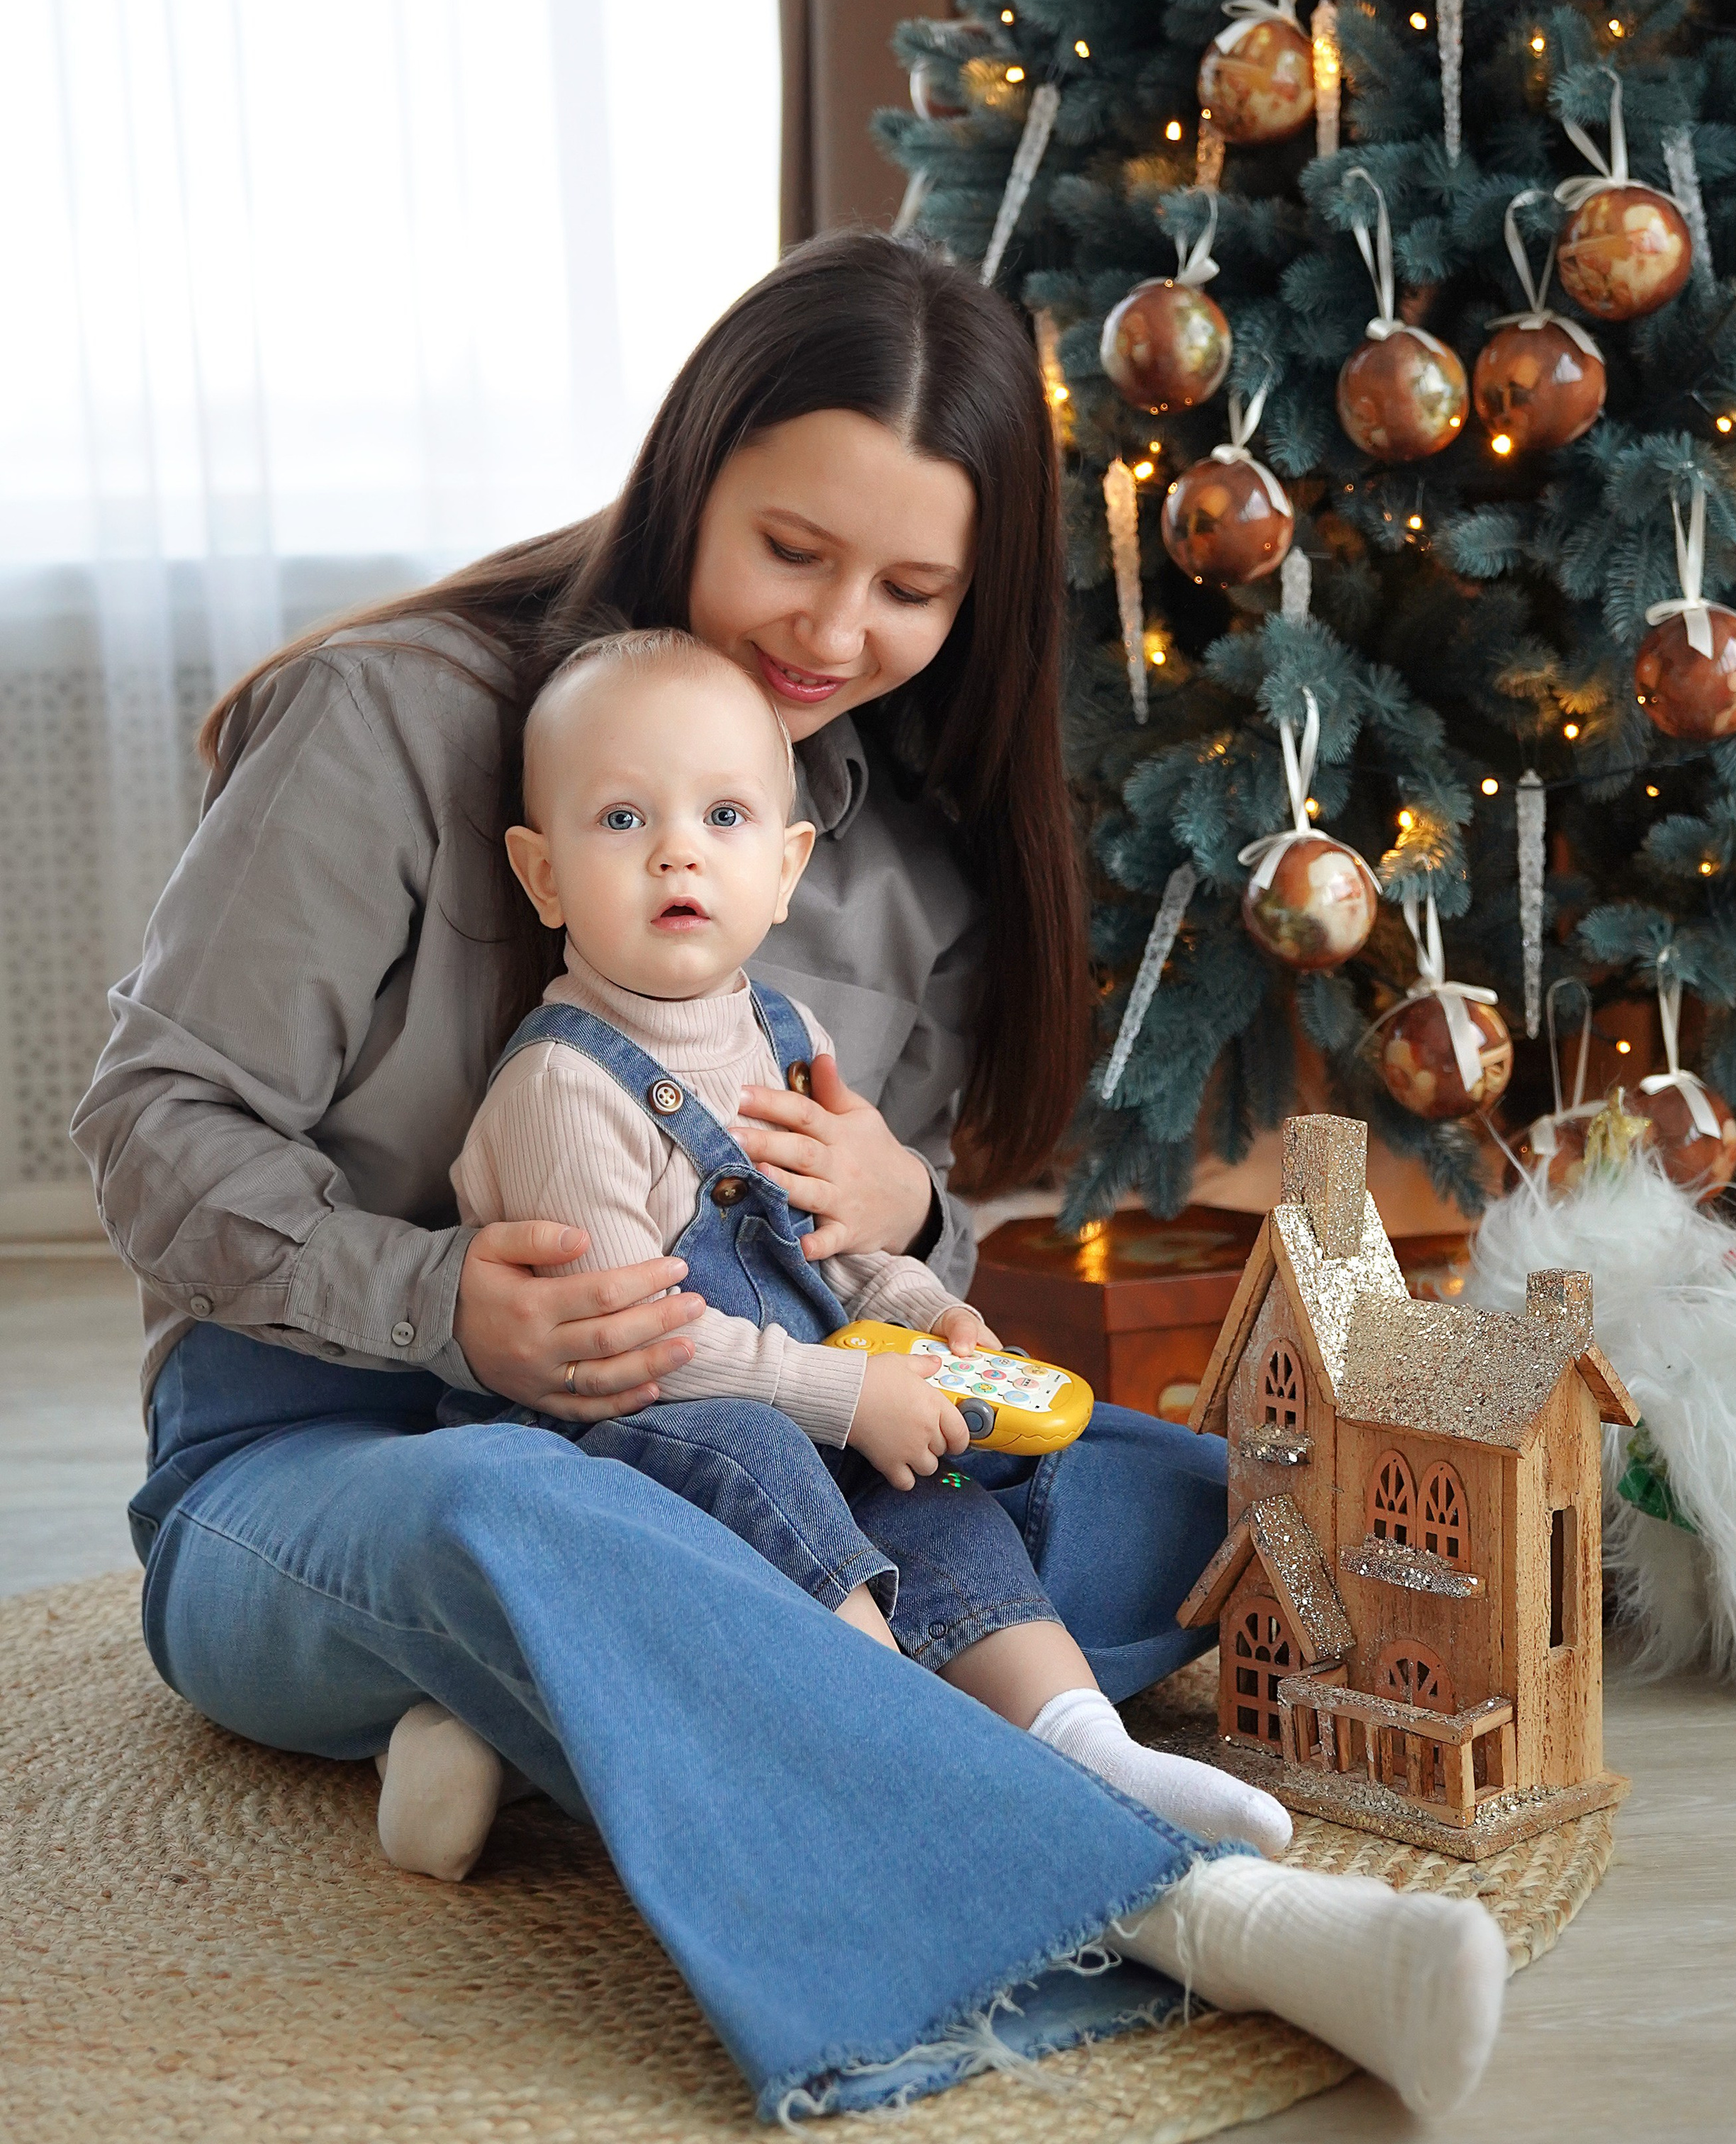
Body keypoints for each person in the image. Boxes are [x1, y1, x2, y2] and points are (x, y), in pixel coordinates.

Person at [74, 230, 1503, 2120]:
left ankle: (555, 1696)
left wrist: (909, 1211)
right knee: (523, 1508)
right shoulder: (389, 717)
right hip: (325, 1454)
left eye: (911, 590)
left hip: (741, 1435)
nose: (835, 632)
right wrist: (442, 1307)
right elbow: (154, 1125)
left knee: (1174, 1493)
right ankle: (1199, 1913)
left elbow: (870, 1292)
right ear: (690, 481)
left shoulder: (883, 841)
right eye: (792, 550)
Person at [379, 624, 1291, 1883]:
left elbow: (832, 1248)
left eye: (725, 816)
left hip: (814, 1402)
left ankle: (1084, 1741)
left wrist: (921, 1314)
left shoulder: (779, 1031)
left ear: (786, 864)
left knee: (936, 1494)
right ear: (543, 876)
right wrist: (847, 1391)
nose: (679, 851)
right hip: (624, 1442)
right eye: (624, 819)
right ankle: (891, 1752)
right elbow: (638, 1353)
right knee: (760, 1455)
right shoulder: (562, 1089)